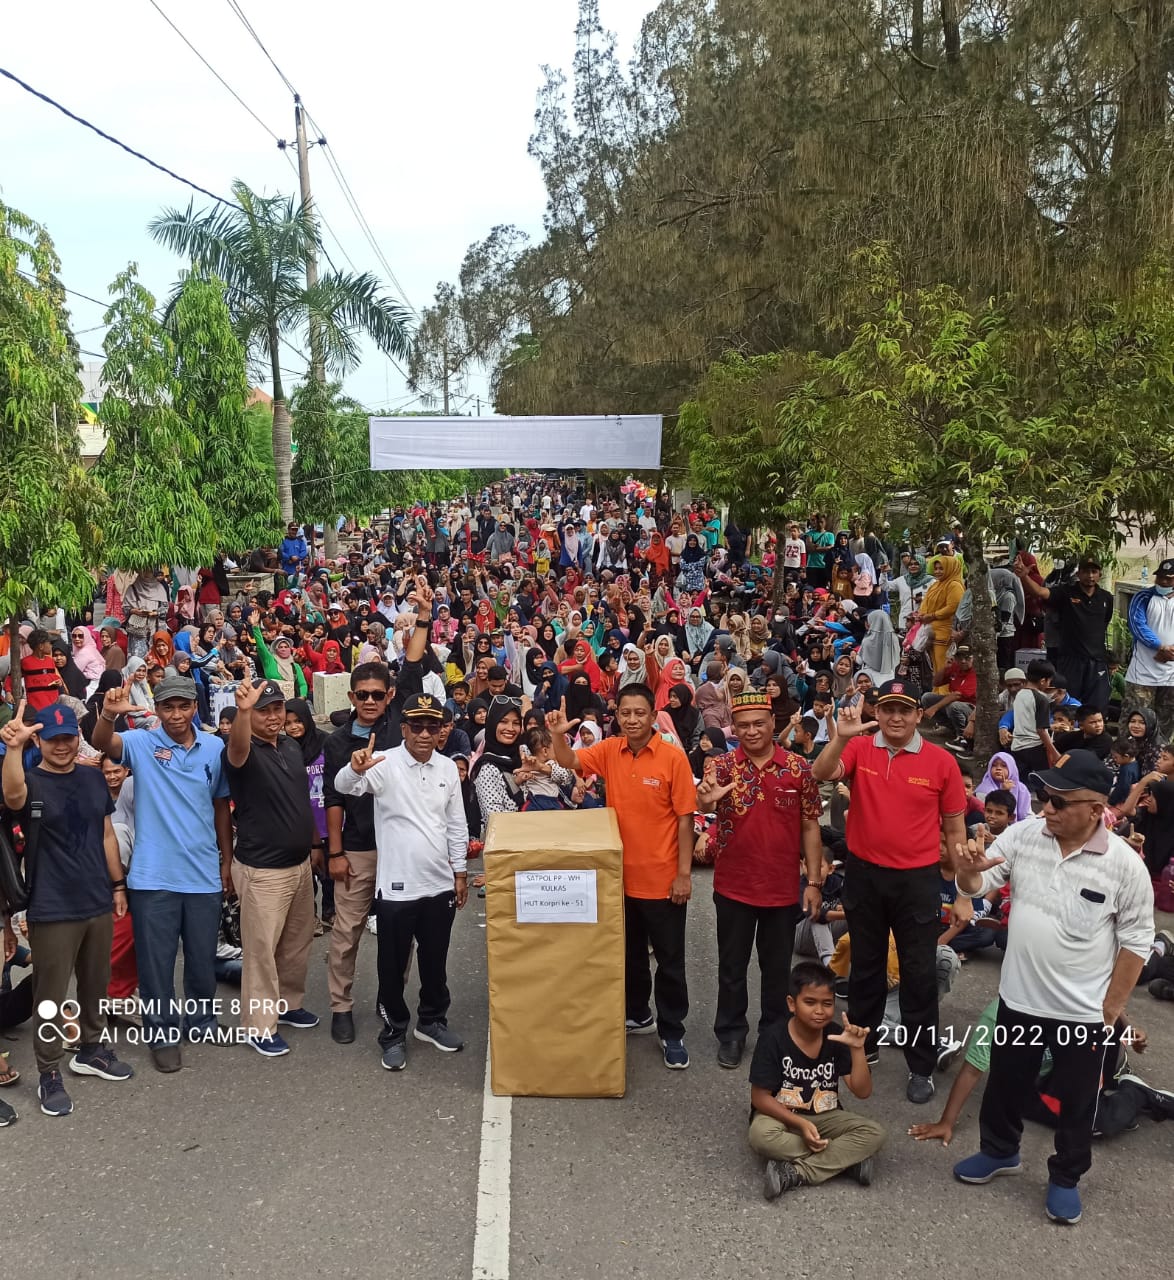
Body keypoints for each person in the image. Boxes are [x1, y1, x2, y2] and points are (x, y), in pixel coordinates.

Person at [951, 750, 1154, 1225]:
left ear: (1095, 807)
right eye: (1045, 798)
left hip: (1082, 1013)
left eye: (1060, 802)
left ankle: (1065, 1177)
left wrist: (1111, 1010)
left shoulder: (1124, 866)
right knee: (1005, 1084)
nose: (1047, 809)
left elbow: (1138, 940)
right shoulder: (1025, 836)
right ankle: (1001, 1152)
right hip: (1019, 997)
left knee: (1078, 1101)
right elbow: (980, 886)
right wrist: (967, 869)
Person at [811, 680, 967, 1104]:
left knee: (918, 973)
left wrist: (964, 891)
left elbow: (955, 830)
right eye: (887, 709)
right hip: (865, 875)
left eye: (905, 710)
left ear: (919, 715)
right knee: (865, 966)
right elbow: (820, 773)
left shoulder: (941, 762)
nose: (895, 718)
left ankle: (921, 1065)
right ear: (876, 713)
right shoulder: (860, 748)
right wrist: (840, 738)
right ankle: (864, 1045)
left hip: (917, 881)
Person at [547, 684, 698, 1069]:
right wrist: (557, 735)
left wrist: (683, 874)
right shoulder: (610, 749)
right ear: (617, 715)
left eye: (640, 713)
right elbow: (569, 762)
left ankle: (672, 1030)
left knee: (669, 962)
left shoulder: (672, 758)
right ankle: (638, 1014)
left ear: (653, 716)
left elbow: (685, 819)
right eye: (625, 713)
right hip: (619, 878)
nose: (632, 720)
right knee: (629, 955)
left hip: (663, 881)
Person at [90, 672, 233, 1072]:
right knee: (156, 962)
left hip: (203, 871)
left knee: (203, 957)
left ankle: (202, 1021)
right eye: (167, 706)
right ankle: (162, 1033)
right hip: (153, 876)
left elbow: (221, 805)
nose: (174, 715)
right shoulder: (141, 742)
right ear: (157, 708)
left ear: (194, 707)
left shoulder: (213, 746)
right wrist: (108, 715)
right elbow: (104, 744)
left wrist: (226, 859)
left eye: (182, 706)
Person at [1, 701, 133, 1117]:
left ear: (78, 738)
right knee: (50, 996)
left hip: (96, 898)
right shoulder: (32, 781)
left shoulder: (94, 780)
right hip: (51, 904)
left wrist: (117, 885)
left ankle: (91, 1049)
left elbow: (107, 834)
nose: (62, 745)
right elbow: (12, 794)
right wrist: (14, 749)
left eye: (69, 738)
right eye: (53, 739)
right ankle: (48, 1071)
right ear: (40, 740)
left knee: (96, 983)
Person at [320, 577, 432, 1045]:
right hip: (360, 851)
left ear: (389, 698)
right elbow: (333, 799)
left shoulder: (398, 727)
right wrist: (336, 852)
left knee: (398, 935)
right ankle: (341, 1005)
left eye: (376, 694)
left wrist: (424, 614)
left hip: (401, 850)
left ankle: (392, 1004)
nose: (369, 700)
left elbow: (410, 661)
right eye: (360, 694)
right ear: (351, 698)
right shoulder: (337, 741)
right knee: (346, 932)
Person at [333, 693, 468, 1072]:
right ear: (405, 728)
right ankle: (393, 1032)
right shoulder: (384, 762)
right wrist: (356, 768)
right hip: (396, 888)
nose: (425, 733)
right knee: (391, 967)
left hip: (439, 884)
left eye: (433, 726)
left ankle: (431, 1021)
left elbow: (456, 824)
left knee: (435, 962)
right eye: (418, 726)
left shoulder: (446, 769)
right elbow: (345, 786)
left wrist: (459, 872)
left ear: (442, 731)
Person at [695, 690, 823, 1068]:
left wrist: (813, 882)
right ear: (734, 727)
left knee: (776, 968)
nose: (751, 731)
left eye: (759, 724)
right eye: (744, 725)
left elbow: (811, 826)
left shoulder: (799, 768)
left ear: (773, 724)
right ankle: (731, 1033)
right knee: (731, 966)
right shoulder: (720, 767)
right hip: (733, 885)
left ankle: (774, 1033)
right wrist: (706, 800)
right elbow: (701, 803)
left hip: (781, 889)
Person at [225, 679, 318, 1057]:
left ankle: (289, 1004)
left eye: (277, 708)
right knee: (262, 952)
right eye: (264, 711)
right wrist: (244, 712)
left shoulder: (292, 747)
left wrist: (314, 847)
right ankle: (259, 1026)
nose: (273, 716)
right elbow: (237, 747)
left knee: (296, 945)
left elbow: (302, 801)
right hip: (262, 871)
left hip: (299, 865)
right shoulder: (242, 752)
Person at [749, 962, 884, 1200]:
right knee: (760, 1135)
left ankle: (795, 1172)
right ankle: (845, 1160)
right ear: (792, 1003)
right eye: (810, 1002)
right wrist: (800, 1125)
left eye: (827, 1003)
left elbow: (862, 1091)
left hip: (825, 1115)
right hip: (782, 1115)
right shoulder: (773, 1037)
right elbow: (759, 1098)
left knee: (874, 1133)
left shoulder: (836, 1035)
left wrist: (857, 1050)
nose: (819, 1010)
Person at [1015, 554, 1113, 711]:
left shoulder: (1106, 598)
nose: (1090, 575)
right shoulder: (1066, 593)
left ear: (1099, 574)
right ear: (1078, 573)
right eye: (1086, 571)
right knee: (1067, 706)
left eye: (1094, 571)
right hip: (1070, 660)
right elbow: (1040, 592)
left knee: (1097, 708)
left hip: (1096, 662)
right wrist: (1024, 576)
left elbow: (1104, 622)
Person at [1123, 557, 1174, 744]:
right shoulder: (1143, 597)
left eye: (1168, 579)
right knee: (1136, 719)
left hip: (1171, 676)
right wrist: (1160, 647)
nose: (1163, 582)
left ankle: (1159, 761)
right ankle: (1128, 757)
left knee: (1166, 722)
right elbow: (1137, 625)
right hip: (1143, 673)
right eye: (1160, 578)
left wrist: (1170, 652)